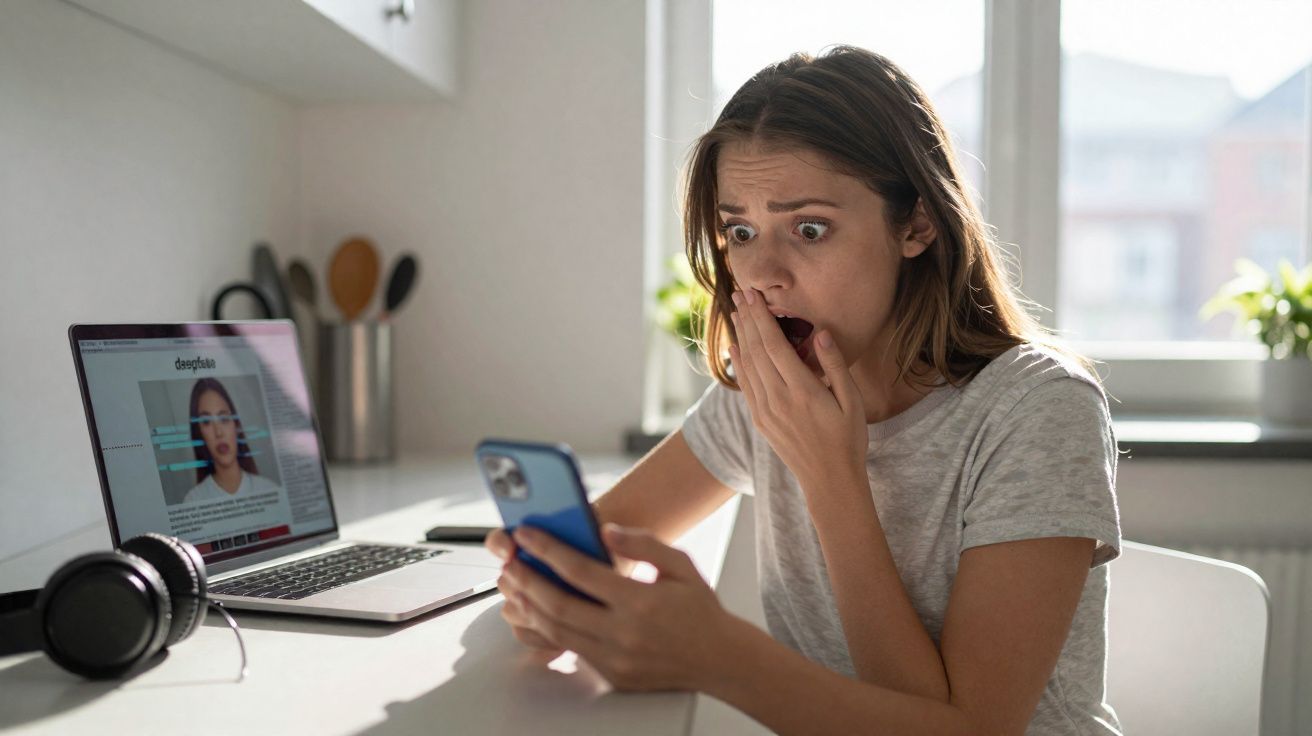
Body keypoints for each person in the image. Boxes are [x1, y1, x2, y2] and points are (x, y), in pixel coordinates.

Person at [487, 46, 1122, 735]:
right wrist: (548, 596)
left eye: (809, 228)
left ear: (916, 225)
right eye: (739, 231)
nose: (760, 274)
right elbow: (598, 546)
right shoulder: (765, 393)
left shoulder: (1037, 410)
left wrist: (828, 479)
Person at [182, 378, 278, 504]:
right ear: (199, 434)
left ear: (236, 425)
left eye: (224, 418)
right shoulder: (193, 500)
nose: (219, 432)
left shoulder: (269, 489)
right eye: (206, 422)